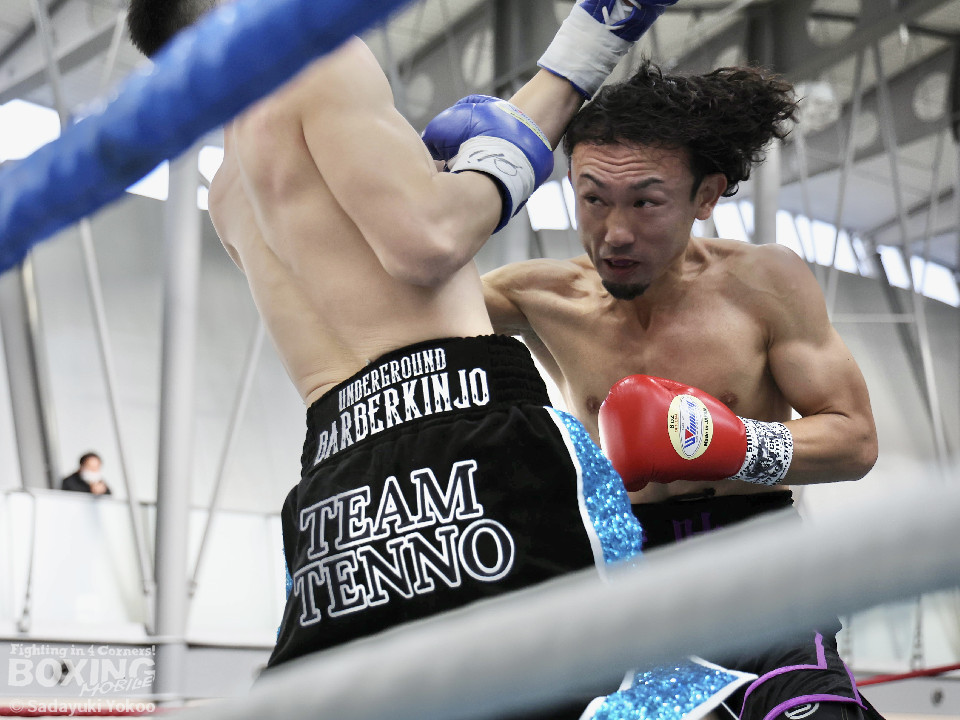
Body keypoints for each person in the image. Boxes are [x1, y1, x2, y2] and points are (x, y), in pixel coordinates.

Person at [124, 4, 752, 719]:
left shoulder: (227, 192)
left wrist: (592, 39)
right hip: (465, 441)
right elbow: (428, 241)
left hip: (335, 499)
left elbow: (404, 240)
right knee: (632, 691)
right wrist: (483, 168)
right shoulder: (320, 63)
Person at [480, 61, 882, 720]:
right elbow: (398, 295)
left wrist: (730, 446)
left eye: (646, 202)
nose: (615, 232)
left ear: (706, 196)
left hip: (761, 569)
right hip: (625, 582)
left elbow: (855, 440)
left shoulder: (764, 283)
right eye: (593, 198)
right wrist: (458, 179)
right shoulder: (541, 296)